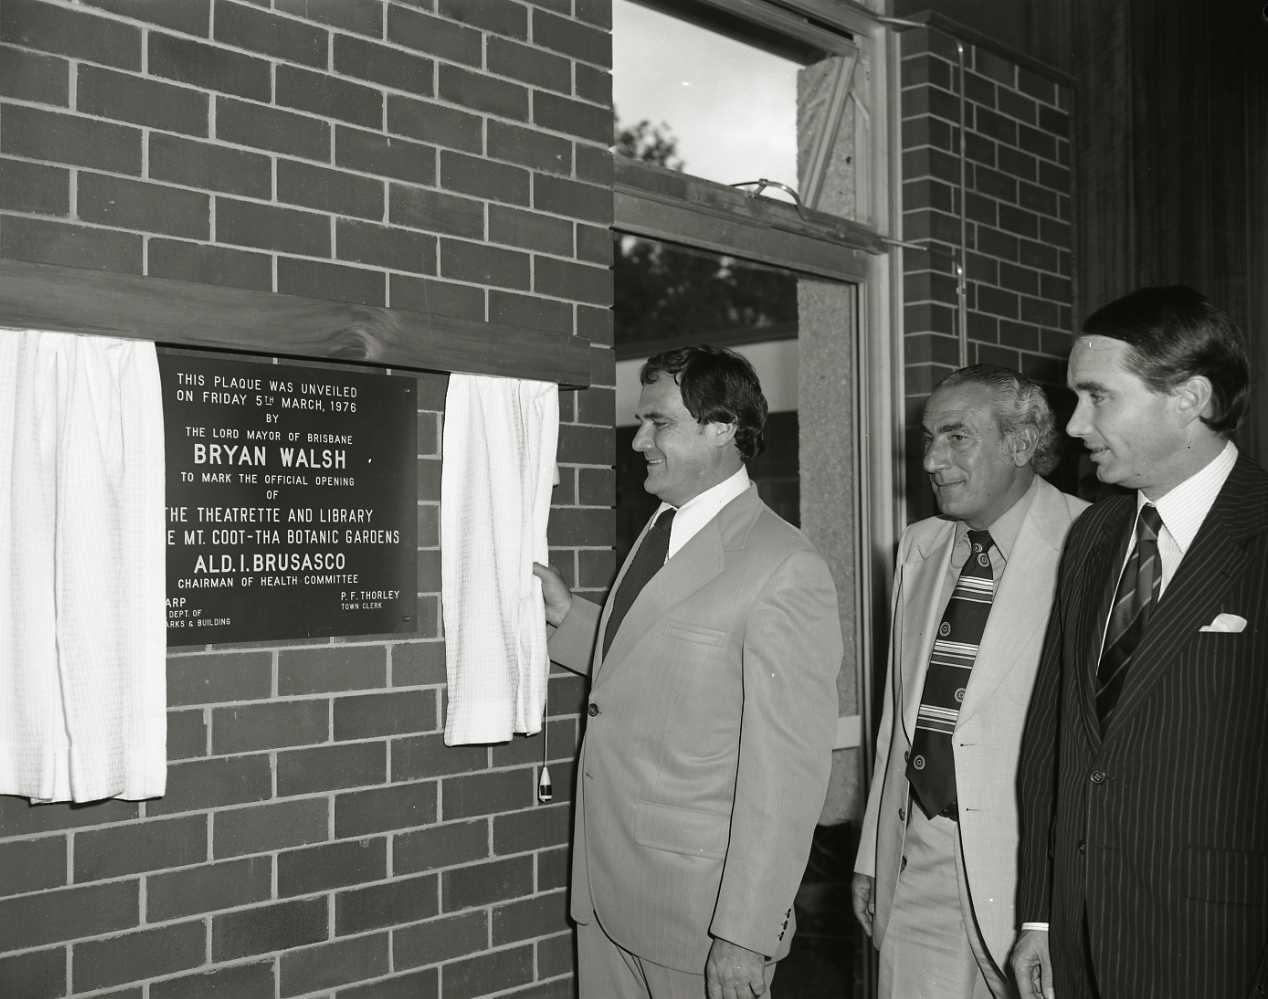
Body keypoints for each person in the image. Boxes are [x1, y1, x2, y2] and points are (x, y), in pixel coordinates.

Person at [533, 345, 842, 999]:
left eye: (659, 422)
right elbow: (661, 665)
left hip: (699, 922)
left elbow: (786, 777)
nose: (639, 439)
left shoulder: (785, 566)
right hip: (609, 894)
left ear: (723, 427)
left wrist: (744, 932)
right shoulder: (660, 529)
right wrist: (568, 616)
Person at [1012, 286, 1268, 999]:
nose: (1074, 422)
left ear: (1188, 397)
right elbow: (1051, 741)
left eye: (1098, 396)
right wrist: (1039, 914)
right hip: (1081, 940)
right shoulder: (1093, 535)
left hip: (1219, 951)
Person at [852, 364, 1087, 998]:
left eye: (956, 437)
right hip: (919, 858)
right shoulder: (916, 548)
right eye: (928, 438)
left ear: (1021, 443)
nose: (931, 459)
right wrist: (874, 852)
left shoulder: (1092, 542)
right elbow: (897, 716)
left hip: (1033, 874)